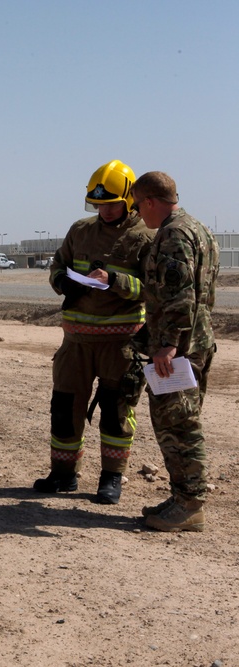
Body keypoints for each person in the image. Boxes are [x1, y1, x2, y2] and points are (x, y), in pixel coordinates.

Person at [34, 160, 155, 504]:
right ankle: (63, 475)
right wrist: (62, 281)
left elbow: (152, 288)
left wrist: (114, 282)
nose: (104, 210)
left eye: (111, 204)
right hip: (75, 343)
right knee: (64, 407)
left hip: (121, 344)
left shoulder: (145, 237)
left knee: (117, 412)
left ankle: (111, 479)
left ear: (129, 199)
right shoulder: (80, 230)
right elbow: (59, 263)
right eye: (98, 204)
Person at [131, 171, 219, 532]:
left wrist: (167, 345)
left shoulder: (173, 234)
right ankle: (182, 495)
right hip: (194, 342)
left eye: (138, 206)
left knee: (180, 426)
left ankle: (190, 504)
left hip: (179, 350)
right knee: (177, 423)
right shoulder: (198, 228)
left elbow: (180, 294)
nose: (138, 214)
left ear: (150, 201)